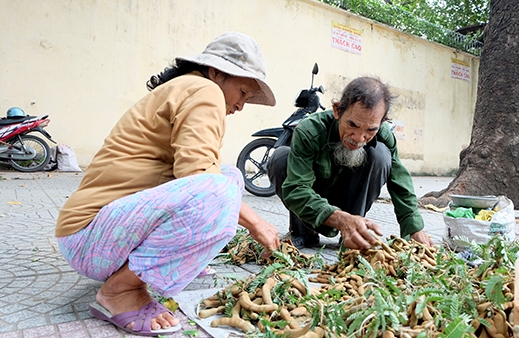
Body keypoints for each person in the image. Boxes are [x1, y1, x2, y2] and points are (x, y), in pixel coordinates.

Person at [55, 32, 281, 336]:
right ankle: (118, 293)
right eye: (242, 92)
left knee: (228, 176)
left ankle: (168, 260)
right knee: (219, 188)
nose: (241, 105)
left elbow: (192, 172)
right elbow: (198, 178)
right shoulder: (204, 89)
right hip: (89, 239)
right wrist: (257, 223)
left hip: (95, 236)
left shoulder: (184, 88)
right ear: (216, 73)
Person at [268, 76, 434, 250]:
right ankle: (303, 232)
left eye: (370, 129)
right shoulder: (309, 130)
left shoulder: (384, 136)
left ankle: (354, 232)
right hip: (313, 199)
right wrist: (340, 219)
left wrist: (415, 228)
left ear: (382, 122)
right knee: (280, 158)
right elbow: (297, 188)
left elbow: (399, 180)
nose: (359, 138)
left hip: (349, 197)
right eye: (352, 125)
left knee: (381, 155)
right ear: (337, 110)